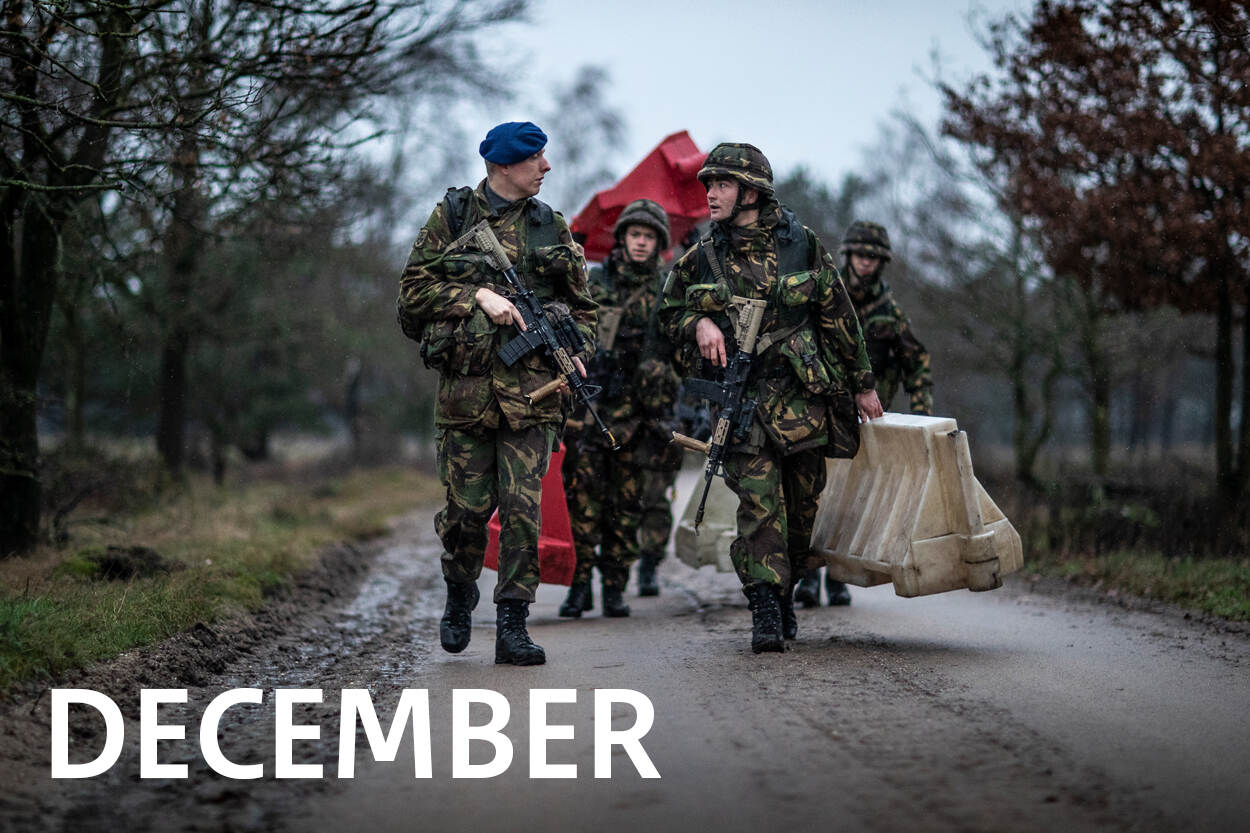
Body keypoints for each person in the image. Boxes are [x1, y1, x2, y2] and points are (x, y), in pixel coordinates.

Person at [658, 143, 883, 653]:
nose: (711, 194)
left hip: (803, 398)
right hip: (741, 404)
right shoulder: (703, 256)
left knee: (801, 512)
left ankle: (785, 592)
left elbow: (839, 316)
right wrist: (698, 323)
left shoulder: (801, 245)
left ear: (752, 192)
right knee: (759, 508)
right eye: (709, 185)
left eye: (722, 185)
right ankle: (763, 604)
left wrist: (863, 383)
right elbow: (667, 312)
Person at [397, 121, 596, 665]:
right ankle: (460, 588)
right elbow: (412, 293)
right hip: (466, 396)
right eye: (536, 158)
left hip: (534, 395)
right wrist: (477, 296)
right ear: (504, 165)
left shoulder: (550, 225)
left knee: (522, 512)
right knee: (466, 514)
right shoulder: (453, 217)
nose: (546, 167)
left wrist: (577, 347)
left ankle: (513, 622)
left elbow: (584, 307)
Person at [793, 220, 933, 608]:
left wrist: (922, 418)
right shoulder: (825, 298)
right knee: (814, 496)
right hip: (822, 414)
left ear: (881, 262)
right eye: (860, 255)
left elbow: (917, 366)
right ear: (848, 256)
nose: (866, 262)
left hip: (868, 425)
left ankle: (839, 577)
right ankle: (808, 575)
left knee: (852, 503)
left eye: (873, 257)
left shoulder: (891, 313)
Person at [559, 199, 681, 617]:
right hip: (591, 413)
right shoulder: (595, 283)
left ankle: (614, 586)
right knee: (583, 504)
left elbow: (680, 354)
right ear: (622, 238)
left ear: (659, 243)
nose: (641, 242)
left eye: (649, 236)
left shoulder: (667, 291)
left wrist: (659, 377)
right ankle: (579, 587)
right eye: (635, 234)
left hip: (639, 418)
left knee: (627, 508)